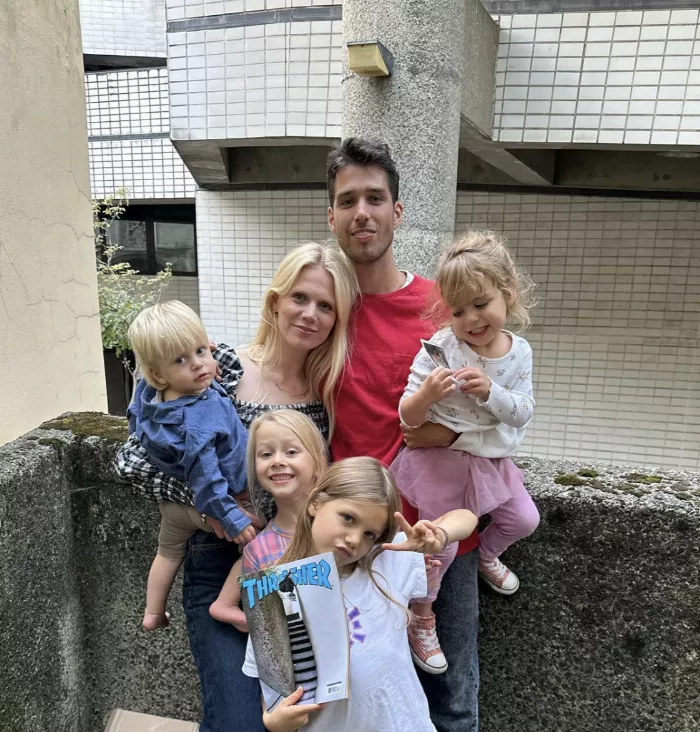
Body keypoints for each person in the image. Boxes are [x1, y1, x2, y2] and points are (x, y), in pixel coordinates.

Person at [114, 242, 358, 732]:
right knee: (236, 720)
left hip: (291, 569)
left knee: (298, 716)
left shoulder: (330, 392)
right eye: (299, 298)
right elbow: (129, 463)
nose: (310, 314)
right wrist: (212, 512)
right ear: (275, 301)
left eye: (326, 305)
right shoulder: (219, 365)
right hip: (216, 560)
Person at [326, 137, 481, 731]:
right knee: (353, 693)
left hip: (440, 532)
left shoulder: (442, 309)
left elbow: (496, 403)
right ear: (332, 216)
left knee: (451, 696)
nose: (361, 212)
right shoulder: (324, 310)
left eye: (375, 197)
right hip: (351, 536)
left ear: (398, 211)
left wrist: (450, 437)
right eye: (347, 200)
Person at [392, 230, 540, 673]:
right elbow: (408, 417)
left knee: (524, 518)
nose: (471, 319)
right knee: (443, 546)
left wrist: (493, 392)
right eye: (458, 311)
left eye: (481, 304)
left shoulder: (519, 352)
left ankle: (489, 555)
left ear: (507, 295)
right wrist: (425, 397)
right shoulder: (440, 348)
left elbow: (522, 413)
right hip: (437, 465)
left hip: (488, 460)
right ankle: (421, 616)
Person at [242, 457, 478, 732]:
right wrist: (274, 722)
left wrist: (440, 535)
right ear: (316, 503)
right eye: (348, 518)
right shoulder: (274, 594)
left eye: (369, 533)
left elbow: (467, 518)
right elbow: (272, 695)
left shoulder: (383, 562)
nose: (355, 539)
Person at [126, 300, 256, 632]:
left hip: (172, 509)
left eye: (201, 350)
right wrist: (232, 518)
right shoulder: (200, 417)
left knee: (167, 554)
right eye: (182, 359)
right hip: (223, 499)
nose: (199, 365)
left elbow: (139, 405)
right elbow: (206, 478)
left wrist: (191, 360)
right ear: (158, 374)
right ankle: (226, 603)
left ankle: (153, 613)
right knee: (267, 537)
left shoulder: (151, 396)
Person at [209, 409, 328, 629]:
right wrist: (267, 625)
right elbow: (221, 607)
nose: (277, 461)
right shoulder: (259, 549)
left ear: (319, 465)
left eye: (291, 452)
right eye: (266, 454)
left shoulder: (343, 523)